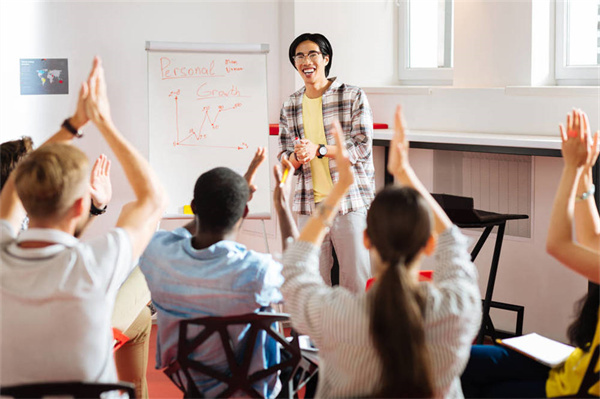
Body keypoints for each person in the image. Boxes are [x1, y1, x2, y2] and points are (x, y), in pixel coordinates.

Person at [275, 107, 482, 398]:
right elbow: (454, 245)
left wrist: (339, 190)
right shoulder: (458, 309)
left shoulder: (335, 315)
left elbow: (295, 268)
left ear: (367, 240)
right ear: (428, 243)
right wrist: (406, 173)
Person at [0, 57, 167, 389]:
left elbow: (16, 192)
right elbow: (153, 200)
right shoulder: (96, 263)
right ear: (79, 205)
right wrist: (99, 121)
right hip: (88, 342)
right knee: (149, 266)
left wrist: (73, 125)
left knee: (140, 323)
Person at [461, 109, 600, 398]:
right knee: (461, 361)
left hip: (576, 388)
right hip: (572, 366)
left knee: (479, 384)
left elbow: (558, 245)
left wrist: (572, 168)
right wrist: (584, 171)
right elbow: (591, 238)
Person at [139, 148, 286, 398]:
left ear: (194, 207)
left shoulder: (157, 254)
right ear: (245, 213)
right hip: (251, 390)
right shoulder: (257, 271)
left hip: (194, 387)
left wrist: (233, 194)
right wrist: (281, 207)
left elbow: (174, 236)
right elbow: (299, 267)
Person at [278, 32, 375, 293]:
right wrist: (296, 157)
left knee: (355, 280)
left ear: (325, 58)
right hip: (309, 206)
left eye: (312, 54)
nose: (306, 61)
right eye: (299, 56)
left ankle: (355, 334)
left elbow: (362, 146)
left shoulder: (352, 95)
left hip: (349, 202)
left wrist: (319, 150)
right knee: (312, 282)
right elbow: (284, 157)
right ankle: (319, 335)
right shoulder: (291, 105)